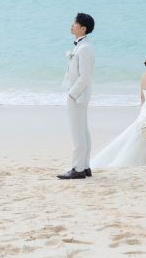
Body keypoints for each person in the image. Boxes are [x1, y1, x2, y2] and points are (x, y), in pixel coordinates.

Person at [90, 55, 146, 170]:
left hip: (145, 107)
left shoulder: (144, 76)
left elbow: (142, 96)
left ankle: (142, 160)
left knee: (140, 134)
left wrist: (143, 110)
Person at [57, 13, 95, 180]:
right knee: (83, 131)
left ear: (83, 28)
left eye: (74, 23)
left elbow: (85, 75)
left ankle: (78, 168)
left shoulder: (85, 47)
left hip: (77, 96)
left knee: (78, 133)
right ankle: (85, 166)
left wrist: (72, 94)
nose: (71, 25)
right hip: (79, 96)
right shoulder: (83, 45)